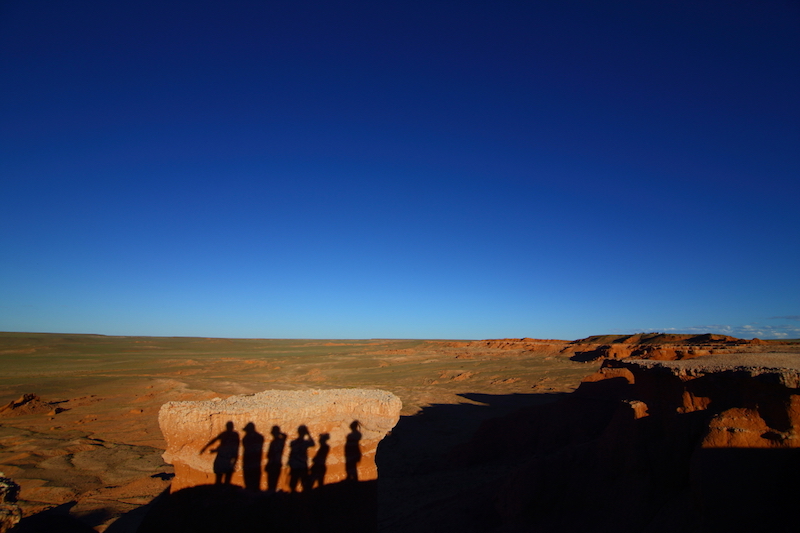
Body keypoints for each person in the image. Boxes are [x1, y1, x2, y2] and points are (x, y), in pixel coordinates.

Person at [287, 425, 315, 492]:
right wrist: (308, 434)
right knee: (303, 484)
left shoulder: (293, 443)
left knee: (294, 485)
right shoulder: (304, 443)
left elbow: (291, 454)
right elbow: (313, 443)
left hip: (296, 466)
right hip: (301, 466)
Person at [265, 425, 287, 493]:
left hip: (274, 464)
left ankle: (271, 495)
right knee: (272, 482)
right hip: (275, 464)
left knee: (272, 482)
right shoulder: (279, 441)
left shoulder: (278, 441)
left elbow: (270, 455)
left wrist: (278, 433)